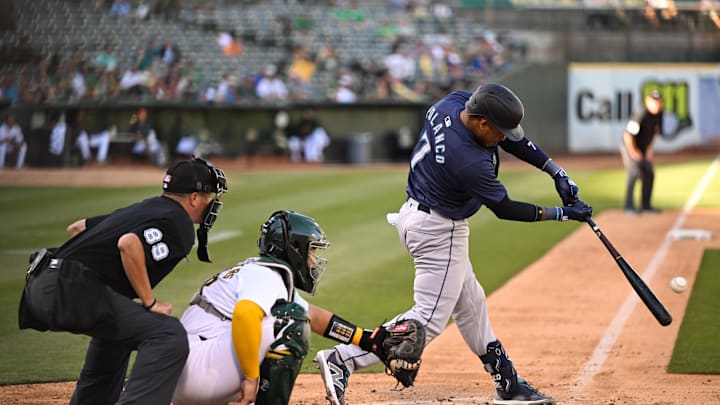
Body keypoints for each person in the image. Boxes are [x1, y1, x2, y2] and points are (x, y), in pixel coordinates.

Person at [314, 83, 593, 405]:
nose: (504, 139)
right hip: (439, 231)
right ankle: (342, 359)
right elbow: (505, 209)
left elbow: (514, 141)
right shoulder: (467, 161)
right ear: (482, 123)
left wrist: (554, 170)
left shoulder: (456, 103)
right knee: (428, 320)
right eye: (499, 132)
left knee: (471, 304)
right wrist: (563, 213)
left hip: (419, 215)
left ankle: (508, 383)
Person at [18, 157, 228, 405]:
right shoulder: (179, 223)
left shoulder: (145, 207)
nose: (211, 203)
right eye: (209, 197)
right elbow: (129, 244)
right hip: (68, 288)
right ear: (194, 198)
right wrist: (150, 302)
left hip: (41, 283)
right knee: (168, 335)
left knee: (119, 334)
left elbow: (77, 228)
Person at [172, 210, 392, 405]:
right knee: (289, 323)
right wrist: (251, 379)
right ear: (295, 248)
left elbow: (314, 317)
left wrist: (366, 339)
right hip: (201, 373)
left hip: (183, 372)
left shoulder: (259, 272)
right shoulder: (266, 277)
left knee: (293, 316)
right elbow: (245, 314)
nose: (313, 259)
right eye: (311, 250)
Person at [620, 89, 664, 214]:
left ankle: (646, 206)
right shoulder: (641, 114)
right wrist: (634, 152)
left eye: (659, 101)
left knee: (649, 174)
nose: (657, 104)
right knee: (634, 172)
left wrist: (649, 149)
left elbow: (655, 132)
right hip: (629, 146)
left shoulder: (659, 114)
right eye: (654, 101)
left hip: (643, 147)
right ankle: (628, 206)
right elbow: (628, 135)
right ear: (647, 101)